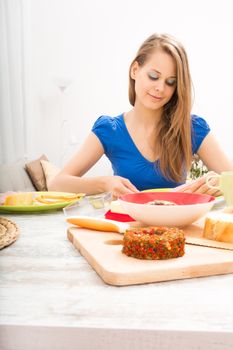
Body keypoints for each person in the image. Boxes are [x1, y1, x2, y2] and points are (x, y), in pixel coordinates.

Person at [49, 33, 233, 198]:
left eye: (170, 82)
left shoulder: (191, 128)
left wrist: (218, 183)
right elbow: (57, 184)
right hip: (125, 229)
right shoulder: (109, 129)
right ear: (135, 70)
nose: (160, 88)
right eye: (153, 76)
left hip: (176, 230)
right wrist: (105, 183)